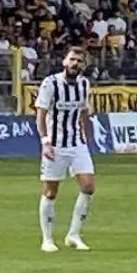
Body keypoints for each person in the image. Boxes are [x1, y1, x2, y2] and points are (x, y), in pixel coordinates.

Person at [35, 45, 95, 253]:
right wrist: (45, 142)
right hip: (55, 145)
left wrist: (88, 137)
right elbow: (41, 115)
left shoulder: (84, 84)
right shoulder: (50, 83)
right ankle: (47, 239)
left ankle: (73, 235)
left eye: (79, 61)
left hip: (77, 143)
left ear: (83, 65)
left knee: (88, 186)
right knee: (50, 191)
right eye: (72, 59)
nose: (75, 64)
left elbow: (84, 111)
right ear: (64, 61)